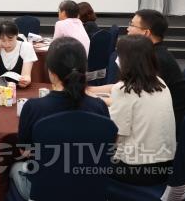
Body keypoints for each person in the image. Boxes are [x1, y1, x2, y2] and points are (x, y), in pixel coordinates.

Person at [10, 37, 111, 200]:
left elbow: (25, 151)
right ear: (84, 69)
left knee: (14, 168)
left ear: (50, 70)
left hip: (46, 192)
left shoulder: (34, 107)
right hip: (91, 191)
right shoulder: (99, 106)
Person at [108, 35, 176, 185]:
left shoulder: (123, 89)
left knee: (81, 159)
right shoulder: (160, 83)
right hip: (165, 166)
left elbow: (115, 134)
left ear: (126, 60)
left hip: (135, 169)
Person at [0, 21, 37, 88]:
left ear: (17, 35)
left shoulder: (26, 47)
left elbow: (26, 76)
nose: (7, 44)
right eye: (3, 40)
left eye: (10, 40)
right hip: (1, 90)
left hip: (19, 89)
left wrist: (25, 81)